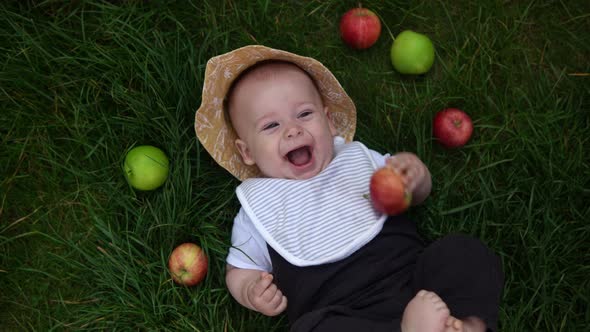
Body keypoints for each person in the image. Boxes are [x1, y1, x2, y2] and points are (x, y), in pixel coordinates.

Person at [195, 45, 503, 332]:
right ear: (246, 152)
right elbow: (239, 269)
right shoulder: (258, 209)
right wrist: (250, 289)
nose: (293, 130)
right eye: (270, 126)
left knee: (460, 252)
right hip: (342, 314)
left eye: (304, 114)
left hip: (413, 286)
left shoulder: (359, 160)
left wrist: (416, 176)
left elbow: (416, 193)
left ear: (329, 122)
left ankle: (465, 323)